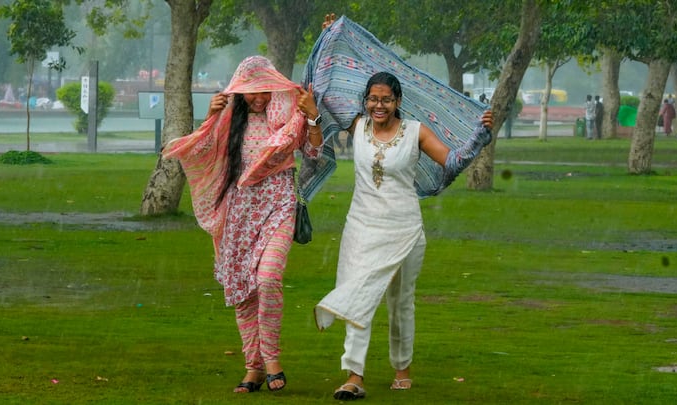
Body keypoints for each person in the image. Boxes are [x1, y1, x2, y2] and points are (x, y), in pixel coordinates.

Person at [313, 13, 493, 402]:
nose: (379, 105)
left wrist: (478, 140)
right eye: (373, 99)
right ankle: (354, 375)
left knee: (400, 303)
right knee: (359, 293)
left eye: (386, 100)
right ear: (366, 101)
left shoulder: (415, 133)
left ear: (398, 102)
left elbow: (452, 162)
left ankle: (402, 368)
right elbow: (324, 91)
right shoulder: (356, 125)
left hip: (405, 229)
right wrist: (330, 36)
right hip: (361, 226)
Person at [162, 56, 324, 393]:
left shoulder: (288, 117)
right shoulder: (229, 119)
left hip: (279, 208)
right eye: (251, 93)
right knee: (244, 293)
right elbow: (201, 151)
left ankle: (272, 359)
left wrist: (312, 115)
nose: (260, 99)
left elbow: (314, 152)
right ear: (239, 91)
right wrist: (210, 116)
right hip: (238, 214)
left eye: (265, 91)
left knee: (267, 280)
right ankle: (253, 368)